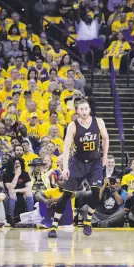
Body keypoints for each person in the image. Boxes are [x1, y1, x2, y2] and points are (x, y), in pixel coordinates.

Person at [48, 100, 109, 238]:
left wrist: (104, 158)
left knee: (95, 193)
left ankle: (88, 221)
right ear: (77, 111)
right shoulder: (72, 126)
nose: (84, 111)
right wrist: (64, 167)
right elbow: (67, 146)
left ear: (89, 109)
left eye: (86, 108)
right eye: (81, 109)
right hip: (78, 162)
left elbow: (106, 139)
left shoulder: (98, 122)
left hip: (94, 163)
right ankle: (54, 226)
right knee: (66, 195)